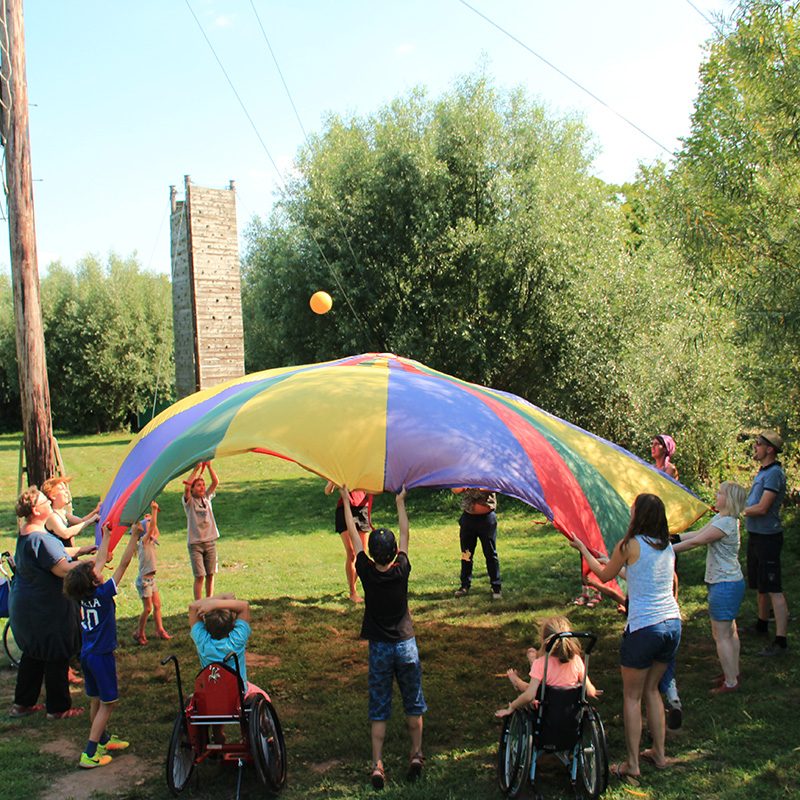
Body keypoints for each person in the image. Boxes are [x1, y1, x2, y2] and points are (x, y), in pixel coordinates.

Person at [567, 494, 681, 783]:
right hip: (672, 625)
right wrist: (610, 561)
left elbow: (604, 575)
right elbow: (641, 574)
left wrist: (582, 548)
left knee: (632, 696)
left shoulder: (629, 545)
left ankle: (632, 764)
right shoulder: (666, 545)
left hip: (645, 627)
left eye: (632, 511)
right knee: (652, 690)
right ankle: (659, 752)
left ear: (639, 515)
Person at [340, 485, 426, 790]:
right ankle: (416, 754)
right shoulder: (401, 569)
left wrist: (347, 504)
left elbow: (353, 536)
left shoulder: (365, 569)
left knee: (379, 704)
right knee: (412, 702)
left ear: (373, 554)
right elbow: (405, 535)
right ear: (394, 554)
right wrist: (400, 503)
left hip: (379, 647)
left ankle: (377, 763)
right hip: (406, 644)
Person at [8, 486, 96, 720]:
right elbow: (63, 568)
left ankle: (22, 704)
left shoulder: (27, 533)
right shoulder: (40, 538)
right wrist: (92, 561)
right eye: (44, 500)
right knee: (56, 653)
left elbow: (56, 553)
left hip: (28, 609)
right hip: (45, 609)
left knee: (34, 654)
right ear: (36, 510)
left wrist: (80, 549)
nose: (49, 502)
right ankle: (58, 708)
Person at [63, 521, 139, 768]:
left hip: (87, 654)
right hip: (102, 656)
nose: (99, 569)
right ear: (94, 581)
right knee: (108, 703)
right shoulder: (104, 594)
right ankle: (90, 752)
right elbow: (124, 564)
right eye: (95, 571)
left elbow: (98, 562)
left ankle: (103, 739)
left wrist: (106, 536)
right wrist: (134, 537)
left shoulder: (85, 594)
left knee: (95, 700)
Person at [673, 481, 748, 692]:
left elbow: (696, 542)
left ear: (729, 499)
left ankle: (731, 682)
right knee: (729, 630)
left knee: (721, 634)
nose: (716, 494)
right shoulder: (723, 519)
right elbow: (696, 534)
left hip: (724, 584)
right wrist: (673, 537)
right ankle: (732, 672)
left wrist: (666, 551)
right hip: (729, 582)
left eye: (720, 493)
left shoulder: (725, 524)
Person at [495, 615, 600, 717]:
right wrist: (593, 690)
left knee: (533, 688)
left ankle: (517, 681)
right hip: (571, 716)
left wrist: (512, 707)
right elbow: (590, 691)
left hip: (547, 714)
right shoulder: (576, 661)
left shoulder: (541, 663)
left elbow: (529, 695)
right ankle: (518, 679)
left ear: (543, 640)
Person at [743, 430, 788, 656]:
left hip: (768, 538)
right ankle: (762, 624)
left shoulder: (774, 474)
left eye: (758, 444)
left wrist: (739, 511)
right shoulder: (763, 472)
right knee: (761, 584)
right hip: (756, 536)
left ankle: (781, 641)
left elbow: (762, 508)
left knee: (773, 588)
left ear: (770, 449)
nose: (755, 448)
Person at [650, 433, 682, 727]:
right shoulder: (648, 466)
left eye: (658, 443)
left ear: (667, 448)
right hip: (666, 622)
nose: (653, 446)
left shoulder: (669, 470)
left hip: (662, 533)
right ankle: (669, 693)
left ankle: (665, 694)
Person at [189, 593, 264, 698]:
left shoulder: (203, 641)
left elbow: (193, 607)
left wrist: (217, 598)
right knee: (264, 697)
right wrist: (219, 603)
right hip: (238, 693)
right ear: (232, 623)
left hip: (211, 693)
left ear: (206, 626)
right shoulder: (236, 641)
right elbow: (244, 606)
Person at [324, 480, 373, 602]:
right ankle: (353, 592)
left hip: (362, 509)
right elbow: (327, 491)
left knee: (362, 553)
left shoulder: (361, 467)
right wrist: (333, 481)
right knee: (351, 553)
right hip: (344, 510)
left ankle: (357, 585)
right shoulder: (340, 468)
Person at [132, 501, 171, 645]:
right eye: (147, 524)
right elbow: (152, 528)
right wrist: (154, 510)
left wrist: (151, 518)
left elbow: (155, 529)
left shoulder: (151, 540)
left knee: (157, 605)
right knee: (147, 608)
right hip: (144, 581)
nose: (151, 526)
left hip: (151, 580)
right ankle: (139, 632)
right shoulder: (144, 541)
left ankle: (160, 629)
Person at [452, 488, 502, 600]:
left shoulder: (488, 470)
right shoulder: (464, 471)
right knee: (466, 554)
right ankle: (464, 586)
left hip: (487, 518)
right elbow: (455, 489)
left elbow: (495, 486)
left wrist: (476, 485)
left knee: (490, 553)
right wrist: (465, 485)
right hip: (468, 518)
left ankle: (496, 587)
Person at [183, 461, 221, 600]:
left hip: (210, 542)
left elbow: (215, 482)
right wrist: (196, 469)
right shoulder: (189, 502)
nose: (202, 487)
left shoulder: (206, 498)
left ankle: (209, 600)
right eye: (198, 485)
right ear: (192, 489)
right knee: (200, 575)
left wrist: (210, 467)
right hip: (196, 544)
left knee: (210, 574)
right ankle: (199, 603)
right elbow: (187, 488)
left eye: (203, 484)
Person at [42, 475, 99, 549]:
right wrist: (91, 520)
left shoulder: (63, 513)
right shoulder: (52, 516)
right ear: (53, 496)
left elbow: (81, 521)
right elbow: (65, 533)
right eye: (62, 489)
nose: (66, 492)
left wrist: (96, 511)